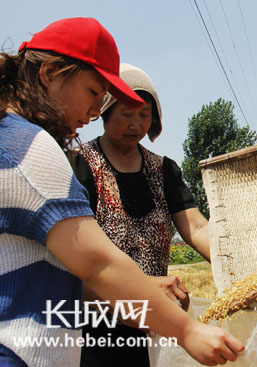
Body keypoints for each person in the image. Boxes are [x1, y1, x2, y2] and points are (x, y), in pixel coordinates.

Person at [0, 17, 243, 367]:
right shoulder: (33, 149)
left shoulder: (162, 168)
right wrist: (186, 331)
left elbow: (59, 270)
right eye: (93, 93)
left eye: (144, 115)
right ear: (50, 73)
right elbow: (95, 262)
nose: (93, 110)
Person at [68, 63, 211, 367]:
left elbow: (196, 227)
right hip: (97, 321)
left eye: (144, 114)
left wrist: (234, 262)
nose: (136, 124)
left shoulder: (164, 170)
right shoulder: (81, 166)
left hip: (153, 319)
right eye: (127, 114)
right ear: (105, 112)